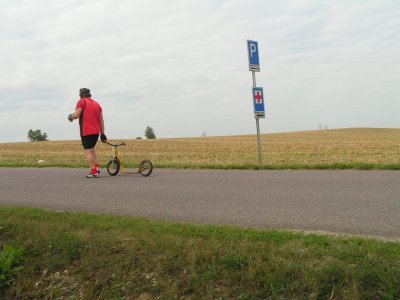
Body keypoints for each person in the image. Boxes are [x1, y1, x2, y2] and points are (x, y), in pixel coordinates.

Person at [68, 88, 107, 178]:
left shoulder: (81, 101)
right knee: (92, 149)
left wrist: (70, 116)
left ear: (81, 95)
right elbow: (101, 121)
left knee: (88, 151)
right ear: (89, 94)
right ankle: (96, 169)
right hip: (96, 132)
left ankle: (93, 172)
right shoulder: (97, 104)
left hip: (86, 131)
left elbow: (76, 115)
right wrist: (102, 133)